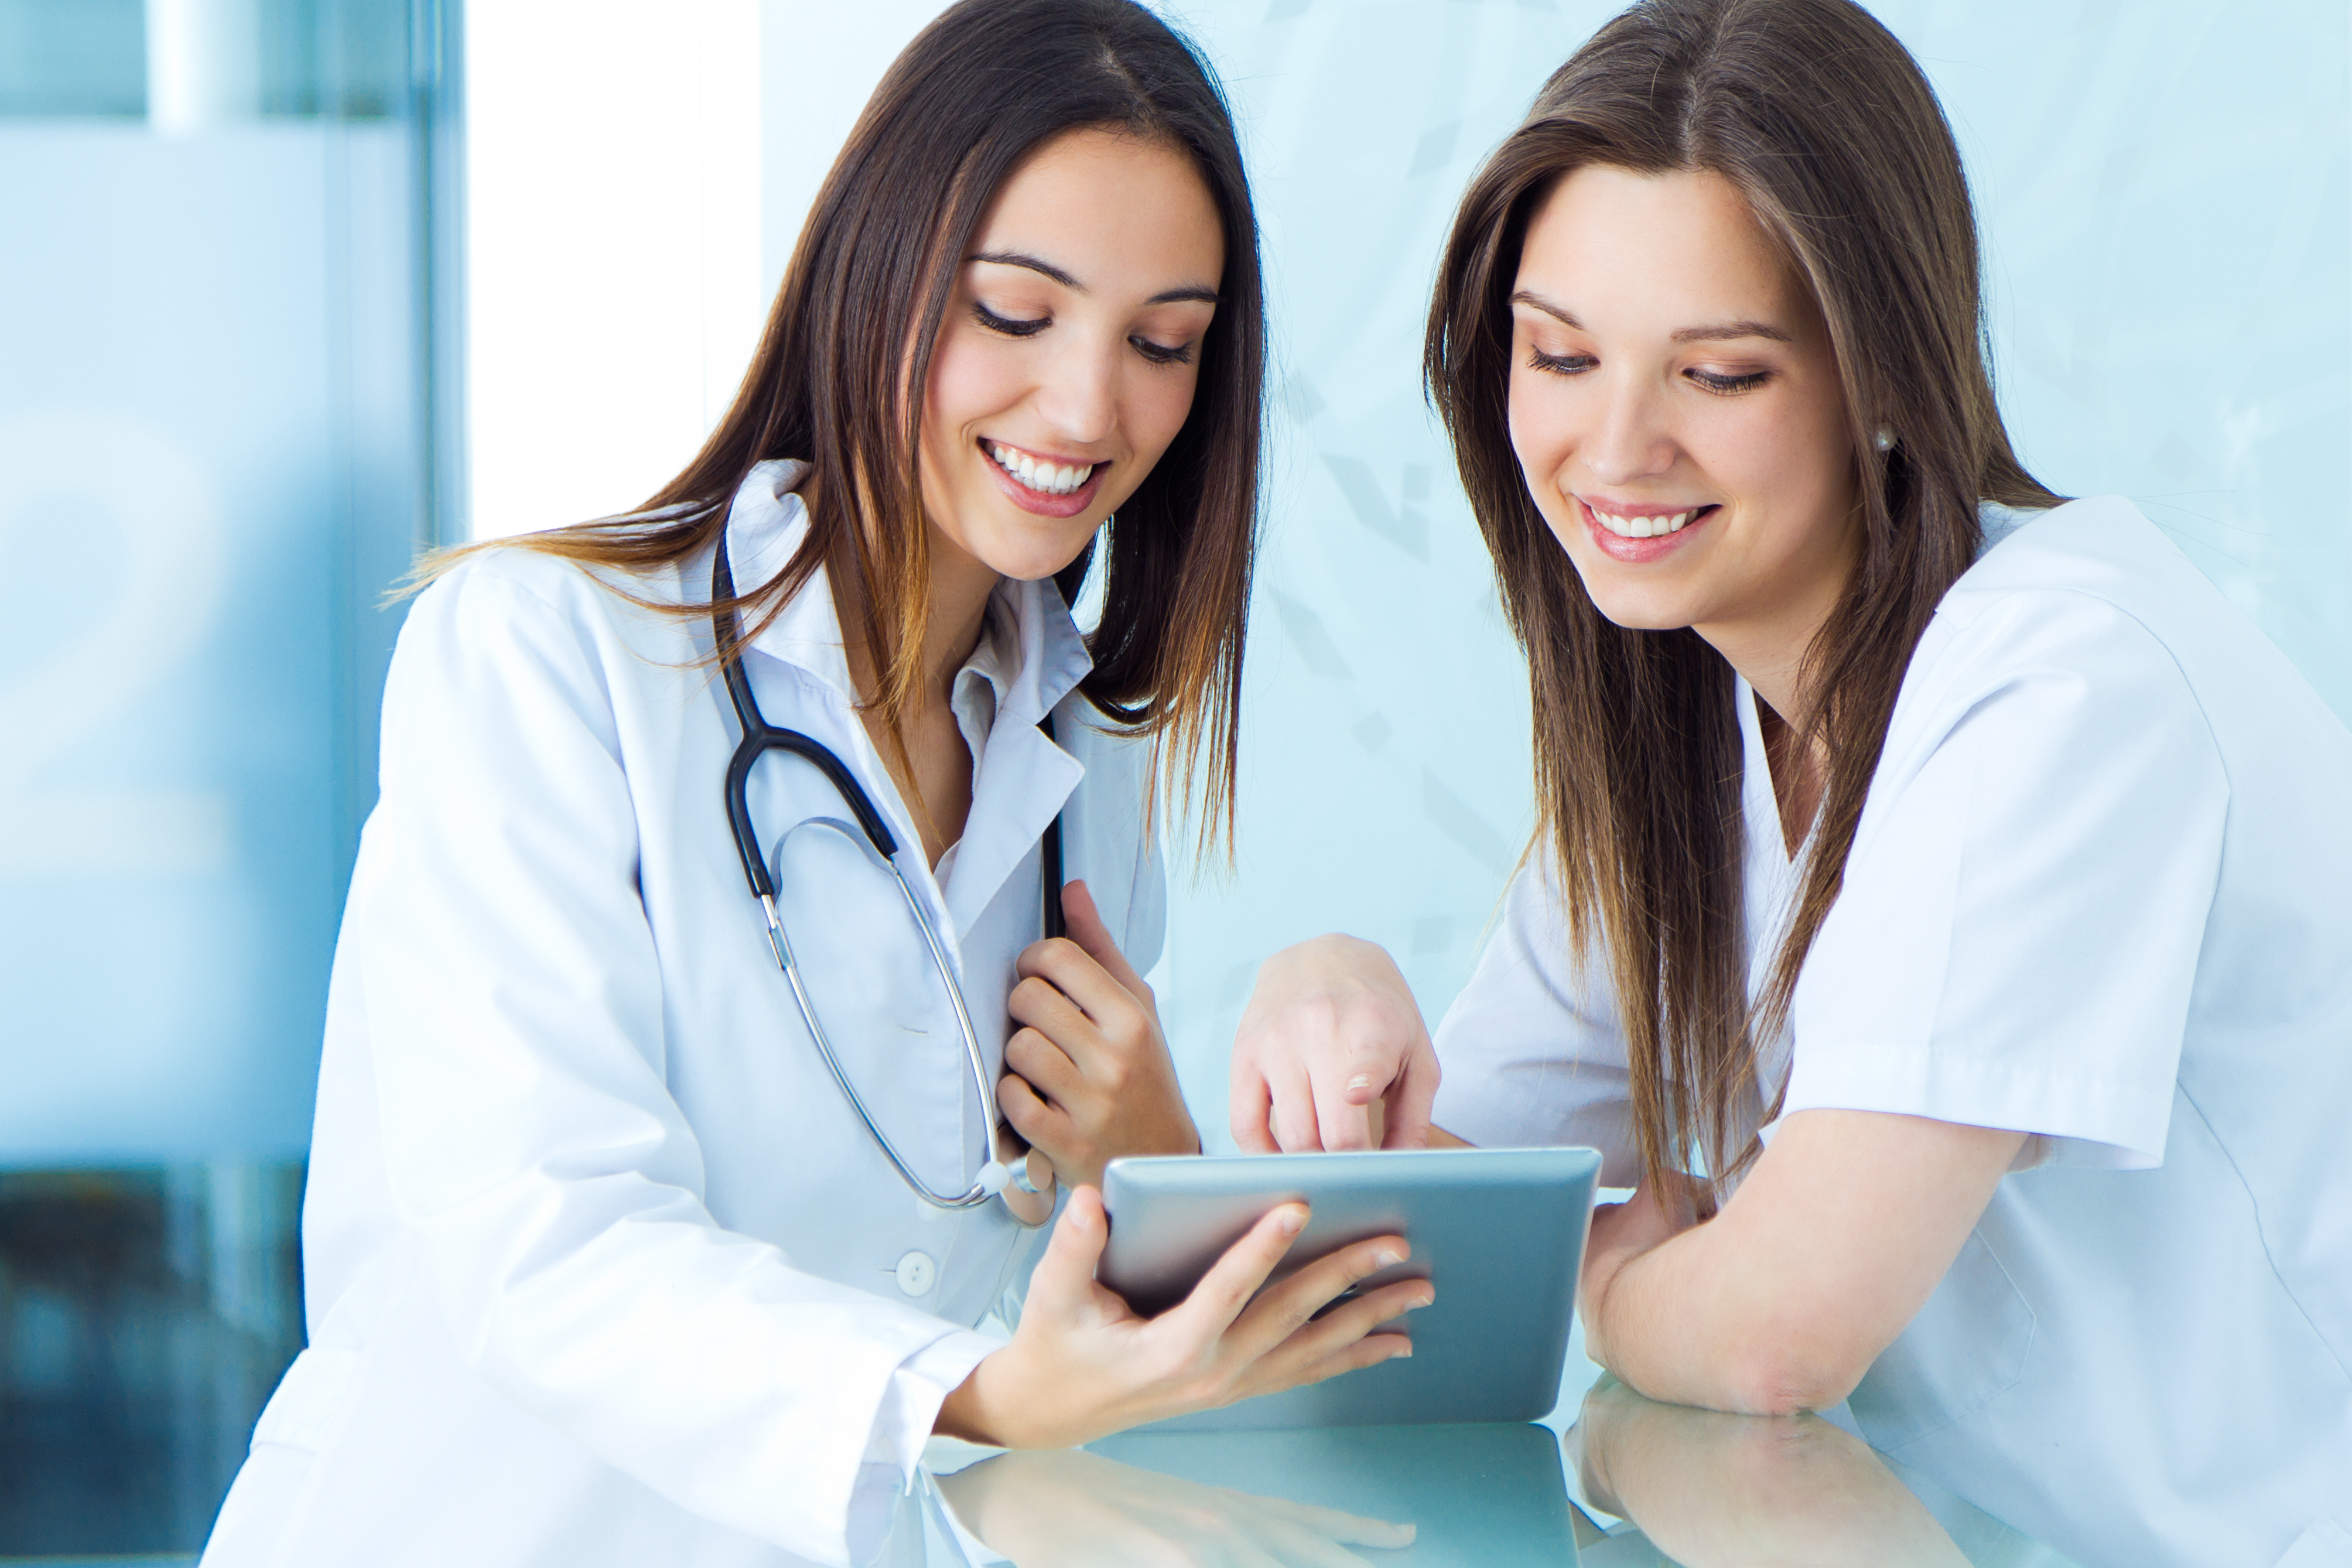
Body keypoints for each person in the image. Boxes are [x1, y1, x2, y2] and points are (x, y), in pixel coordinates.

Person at [199, 4, 1428, 1564]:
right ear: (881, 268)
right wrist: (968, 1391)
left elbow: (1055, 1314)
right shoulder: (546, 656)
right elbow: (544, 1237)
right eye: (1017, 311)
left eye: (1162, 342)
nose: (1087, 409)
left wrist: (1152, 1148)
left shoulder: (1080, 761)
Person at [1228, 2, 2352, 1564]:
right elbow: (1442, 1235)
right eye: (1560, 355)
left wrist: (1615, 1289)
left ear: (1886, 377)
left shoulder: (2065, 682)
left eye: (1722, 374)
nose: (1616, 446)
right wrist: (1327, 984)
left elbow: (1776, 1334)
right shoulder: (1688, 732)